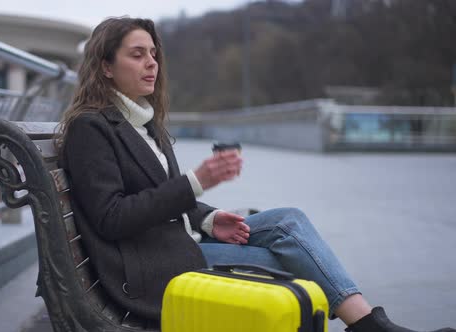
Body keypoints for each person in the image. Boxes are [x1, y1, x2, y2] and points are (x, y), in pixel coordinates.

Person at [57, 17, 454, 332]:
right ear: (106, 67)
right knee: (288, 257)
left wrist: (209, 218)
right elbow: (113, 218)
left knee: (289, 221)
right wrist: (196, 182)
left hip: (178, 241)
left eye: (154, 54)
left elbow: (165, 199)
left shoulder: (145, 123)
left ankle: (371, 325)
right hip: (148, 268)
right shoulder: (91, 127)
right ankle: (370, 326)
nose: (151, 64)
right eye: (137, 55)